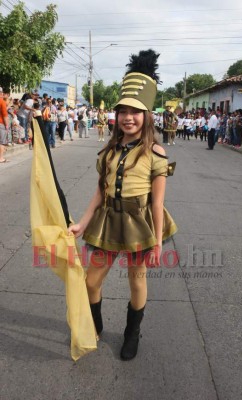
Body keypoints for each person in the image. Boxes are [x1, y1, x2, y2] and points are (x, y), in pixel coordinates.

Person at [67, 49, 177, 361]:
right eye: (123, 110)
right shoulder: (108, 152)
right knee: (91, 281)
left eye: (136, 111)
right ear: (116, 115)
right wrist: (83, 222)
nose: (129, 116)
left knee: (136, 279)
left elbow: (158, 203)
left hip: (139, 222)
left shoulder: (156, 153)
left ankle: (132, 333)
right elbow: (100, 192)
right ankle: (96, 324)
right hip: (107, 220)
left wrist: (156, 242)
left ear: (147, 115)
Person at [0, 87, 9, 163]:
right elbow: (5, 115)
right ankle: (1, 158)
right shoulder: (2, 102)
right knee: (2, 142)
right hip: (1, 124)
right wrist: (7, 125)